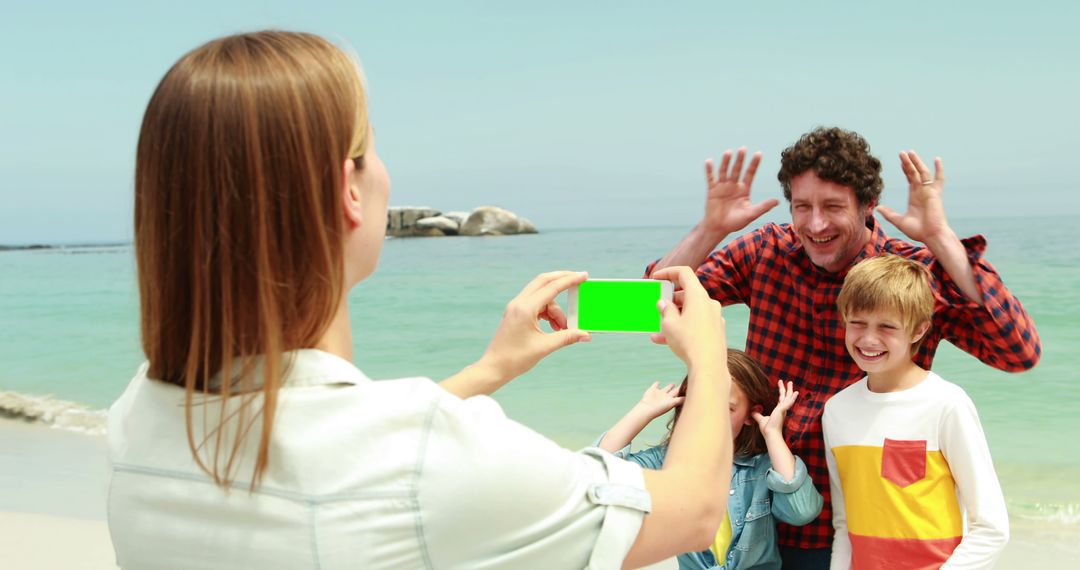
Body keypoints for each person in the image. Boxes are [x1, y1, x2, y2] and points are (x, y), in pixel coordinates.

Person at [107, 30, 736, 569]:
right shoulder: (431, 454)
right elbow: (690, 511)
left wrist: (490, 371)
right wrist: (707, 357)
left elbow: (351, 446)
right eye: (371, 146)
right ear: (346, 192)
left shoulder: (138, 416)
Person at [647, 127, 1039, 567]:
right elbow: (649, 310)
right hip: (751, 516)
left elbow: (1016, 351)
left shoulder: (908, 276)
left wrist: (942, 240)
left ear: (868, 205)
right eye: (803, 207)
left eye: (833, 207)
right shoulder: (765, 251)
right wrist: (710, 228)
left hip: (852, 532)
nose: (815, 225)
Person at [824, 254, 1009, 569]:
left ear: (919, 330)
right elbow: (844, 526)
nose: (869, 339)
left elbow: (991, 528)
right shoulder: (836, 410)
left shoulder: (946, 404)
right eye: (857, 323)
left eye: (887, 326)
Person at [598, 349, 823, 569]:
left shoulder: (762, 468)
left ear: (750, 414)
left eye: (727, 408)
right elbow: (598, 474)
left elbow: (802, 511)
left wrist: (773, 434)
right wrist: (643, 411)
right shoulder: (666, 462)